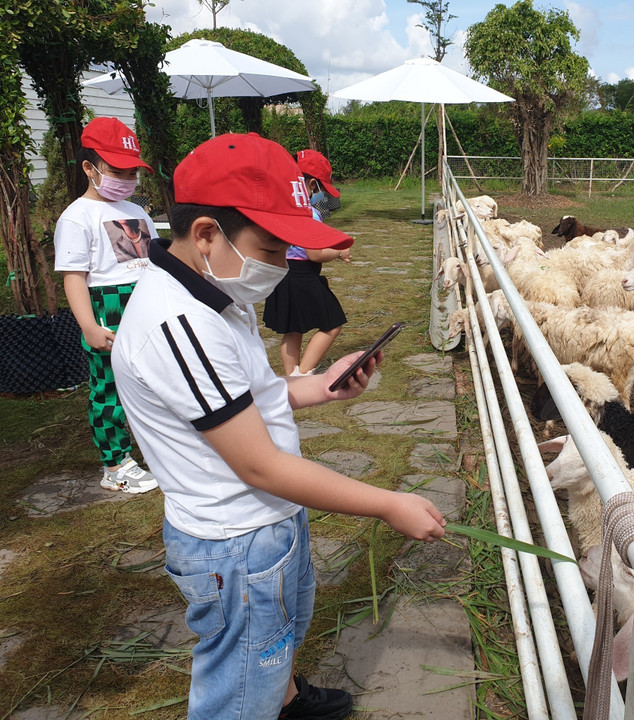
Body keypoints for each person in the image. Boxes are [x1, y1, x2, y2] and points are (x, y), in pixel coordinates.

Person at [111, 132, 446, 720]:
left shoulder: (214, 291)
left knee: (275, 642)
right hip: (234, 541)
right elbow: (259, 464)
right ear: (208, 233)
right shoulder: (177, 323)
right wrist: (387, 503)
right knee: (241, 681)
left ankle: (286, 699)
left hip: (264, 520)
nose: (281, 263)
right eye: (271, 248)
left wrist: (319, 383)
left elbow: (251, 398)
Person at [53, 116, 159, 494]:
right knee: (108, 388)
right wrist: (89, 327)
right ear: (89, 168)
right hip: (107, 307)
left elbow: (156, 262)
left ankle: (158, 449)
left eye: (133, 171)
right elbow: (74, 277)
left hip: (146, 303)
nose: (127, 178)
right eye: (118, 170)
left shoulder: (138, 212)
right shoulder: (76, 217)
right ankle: (115, 465)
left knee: (154, 381)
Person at [263, 150, 348, 376]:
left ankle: (291, 375)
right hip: (303, 275)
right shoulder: (308, 212)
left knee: (292, 328)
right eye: (319, 188)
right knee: (333, 323)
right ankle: (304, 374)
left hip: (281, 273)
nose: (319, 194)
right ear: (311, 184)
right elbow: (315, 254)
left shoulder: (279, 205)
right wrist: (339, 252)